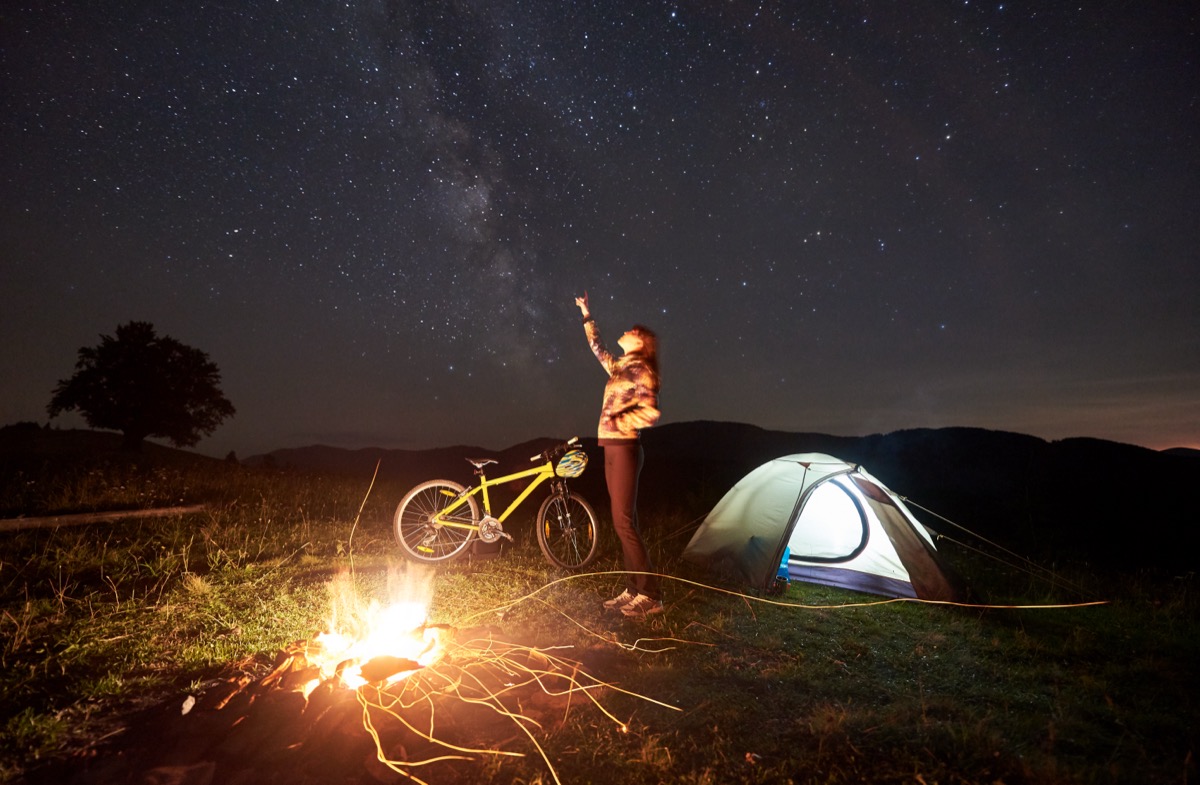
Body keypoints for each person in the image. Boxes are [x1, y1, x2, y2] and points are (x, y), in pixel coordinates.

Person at [574, 292, 663, 618]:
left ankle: (651, 596)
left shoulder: (641, 370)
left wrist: (620, 420)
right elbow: (597, 349)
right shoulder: (621, 366)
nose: (625, 330)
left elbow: (651, 413)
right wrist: (587, 315)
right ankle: (633, 588)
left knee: (624, 522)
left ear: (640, 342)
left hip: (625, 448)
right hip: (610, 446)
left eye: (632, 330)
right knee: (623, 521)